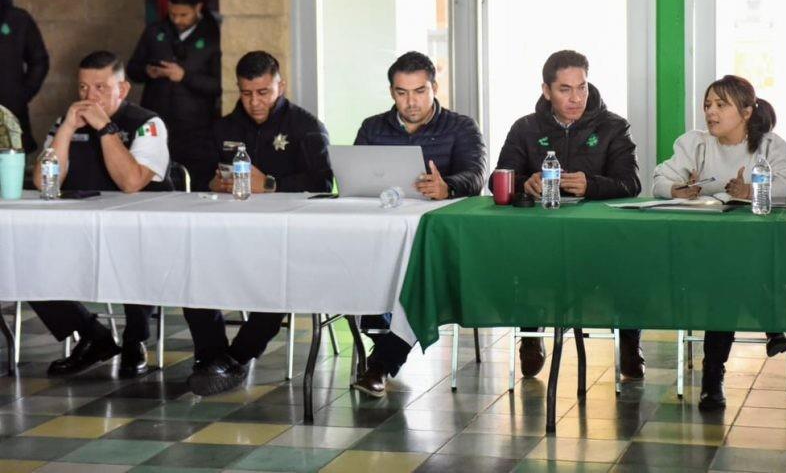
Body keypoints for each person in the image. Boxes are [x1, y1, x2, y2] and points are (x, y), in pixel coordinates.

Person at [182, 51, 332, 396]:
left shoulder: (305, 127)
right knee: (191, 274)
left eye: (263, 92)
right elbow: (201, 175)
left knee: (276, 284)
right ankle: (210, 356)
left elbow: (324, 187)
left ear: (280, 85)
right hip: (228, 233)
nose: (254, 102)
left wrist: (270, 184)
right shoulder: (224, 127)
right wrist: (212, 184)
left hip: (285, 237)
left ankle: (235, 358)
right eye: (246, 93)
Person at [653, 74, 786, 411]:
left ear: (747, 111)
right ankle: (772, 323)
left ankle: (713, 378)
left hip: (748, 251)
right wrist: (677, 190)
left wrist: (750, 192)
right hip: (700, 250)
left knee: (726, 281)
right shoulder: (695, 143)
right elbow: (659, 179)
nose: (711, 112)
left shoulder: (768, 145)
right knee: (727, 275)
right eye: (708, 105)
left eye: (721, 105)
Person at [495, 50, 643, 381]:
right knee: (522, 258)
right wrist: (525, 183)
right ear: (546, 91)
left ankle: (630, 342)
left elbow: (631, 183)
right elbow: (498, 180)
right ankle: (530, 338)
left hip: (600, 235)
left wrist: (592, 185)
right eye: (565, 89)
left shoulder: (613, 127)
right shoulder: (526, 128)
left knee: (633, 257)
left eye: (582, 87)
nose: (576, 98)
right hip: (541, 236)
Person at [351, 51, 487, 397]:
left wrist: (448, 186)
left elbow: (475, 176)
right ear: (391, 92)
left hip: (436, 235)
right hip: (380, 233)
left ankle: (380, 364)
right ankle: (380, 343)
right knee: (353, 262)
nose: (411, 102)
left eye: (420, 91)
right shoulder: (372, 128)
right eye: (402, 93)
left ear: (434, 87)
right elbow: (353, 177)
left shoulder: (461, 126)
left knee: (417, 282)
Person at [29, 51, 169, 378]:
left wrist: (105, 129)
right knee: (26, 257)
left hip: (140, 229)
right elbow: (42, 181)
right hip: (81, 228)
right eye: (82, 88)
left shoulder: (148, 124)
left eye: (101, 88)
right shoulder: (65, 122)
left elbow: (132, 181)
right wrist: (65, 131)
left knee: (134, 254)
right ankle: (93, 335)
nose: (90, 97)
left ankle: (136, 340)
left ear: (123, 89)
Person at [127, 0, 220, 187]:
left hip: (196, 128)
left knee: (195, 182)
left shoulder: (214, 36)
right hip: (156, 121)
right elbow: (132, 69)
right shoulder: (155, 31)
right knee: (155, 180)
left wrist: (184, 77)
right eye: (173, 14)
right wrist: (147, 71)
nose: (177, 20)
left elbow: (220, 85)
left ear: (198, 8)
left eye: (183, 15)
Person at [0, 0, 49, 153]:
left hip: (10, 112)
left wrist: (22, 94)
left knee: (11, 167)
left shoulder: (17, 19)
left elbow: (39, 60)